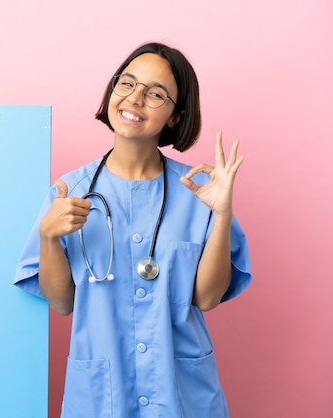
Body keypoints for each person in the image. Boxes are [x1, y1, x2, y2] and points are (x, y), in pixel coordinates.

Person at [13, 42, 252, 418]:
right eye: (127, 83)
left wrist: (221, 214)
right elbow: (61, 304)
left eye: (156, 93)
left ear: (176, 116)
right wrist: (48, 236)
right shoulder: (70, 192)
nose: (135, 98)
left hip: (182, 395)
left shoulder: (198, 192)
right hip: (101, 396)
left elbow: (206, 298)